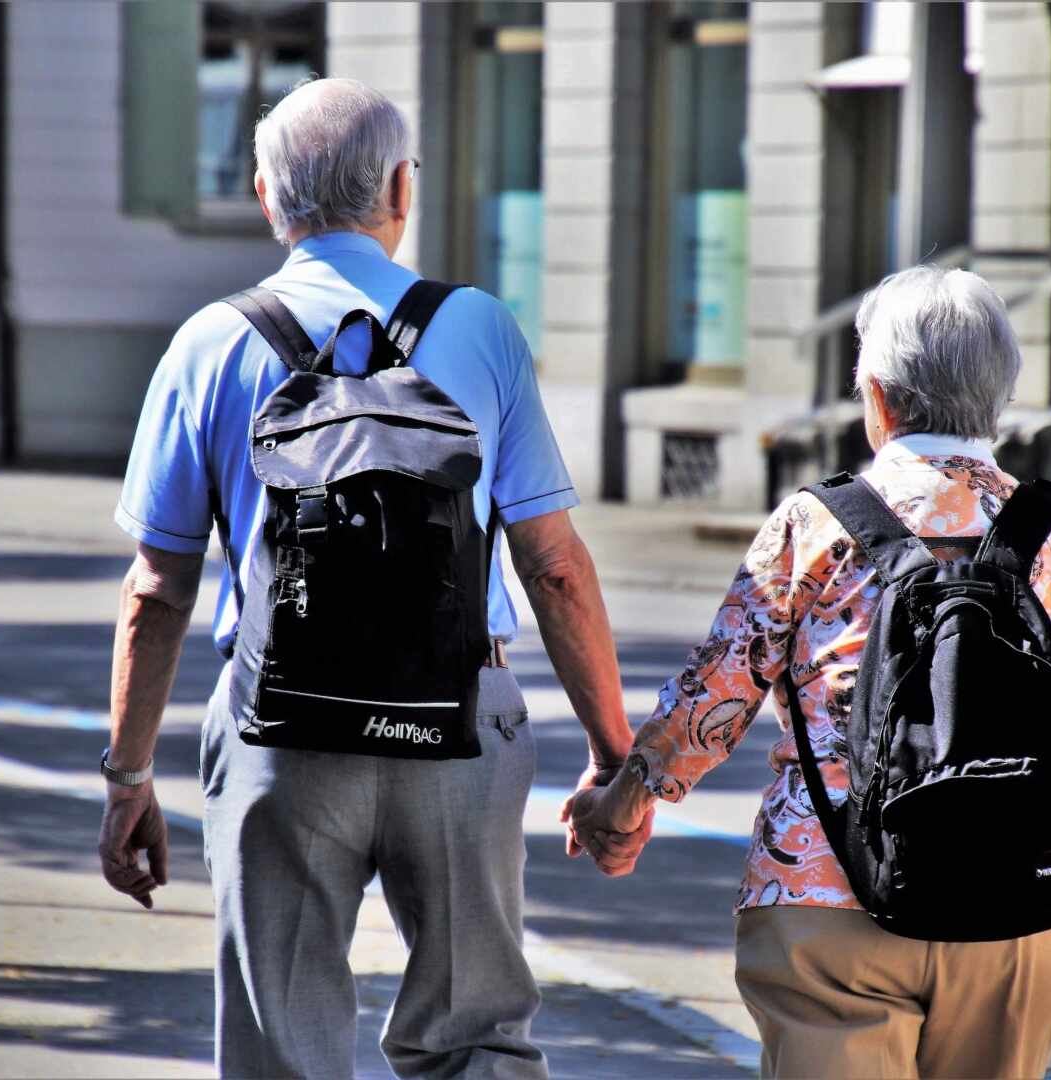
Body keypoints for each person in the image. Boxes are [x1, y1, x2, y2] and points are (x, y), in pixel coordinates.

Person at [98, 78, 645, 1079]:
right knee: (475, 1032)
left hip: (282, 731)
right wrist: (618, 758)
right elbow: (555, 569)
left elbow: (158, 591)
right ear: (402, 189)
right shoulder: (479, 330)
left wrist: (129, 778)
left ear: (267, 196)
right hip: (459, 725)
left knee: (281, 1045)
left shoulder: (209, 343)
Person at [566, 265, 1051, 1078]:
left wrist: (622, 800)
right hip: (1024, 913)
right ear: (998, 396)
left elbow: (711, 702)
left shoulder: (814, 525)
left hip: (829, 899)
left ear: (880, 397)